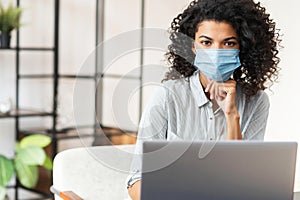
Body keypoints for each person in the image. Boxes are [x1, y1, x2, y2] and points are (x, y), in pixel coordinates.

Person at [127, 0, 280, 199]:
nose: (216, 52)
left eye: (229, 43)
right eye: (206, 42)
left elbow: (242, 181)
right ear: (193, 46)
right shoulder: (167, 96)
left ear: (242, 48)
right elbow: (136, 182)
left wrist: (232, 115)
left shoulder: (256, 102)